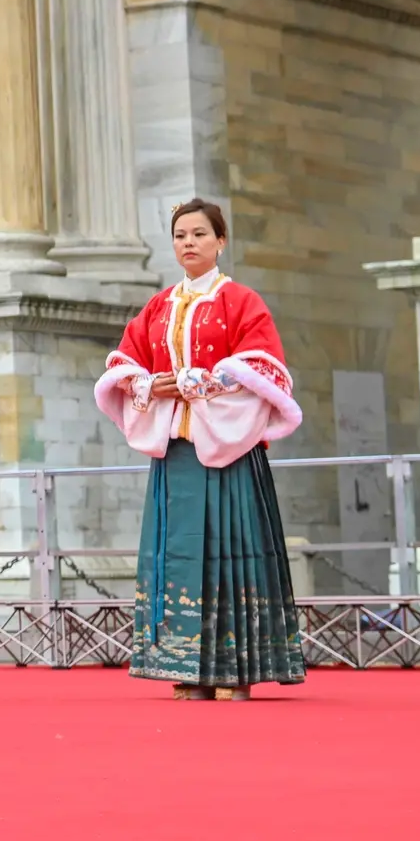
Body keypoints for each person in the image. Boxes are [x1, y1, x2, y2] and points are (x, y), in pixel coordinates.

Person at [95, 199, 305, 700]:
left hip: (227, 448)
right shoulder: (159, 306)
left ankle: (238, 668)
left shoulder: (242, 301)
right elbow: (122, 365)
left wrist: (201, 382)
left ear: (220, 241)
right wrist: (150, 385)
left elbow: (265, 369)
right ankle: (187, 666)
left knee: (232, 551)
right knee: (179, 555)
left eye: (198, 234)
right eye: (180, 235)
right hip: (176, 451)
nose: (188, 243)